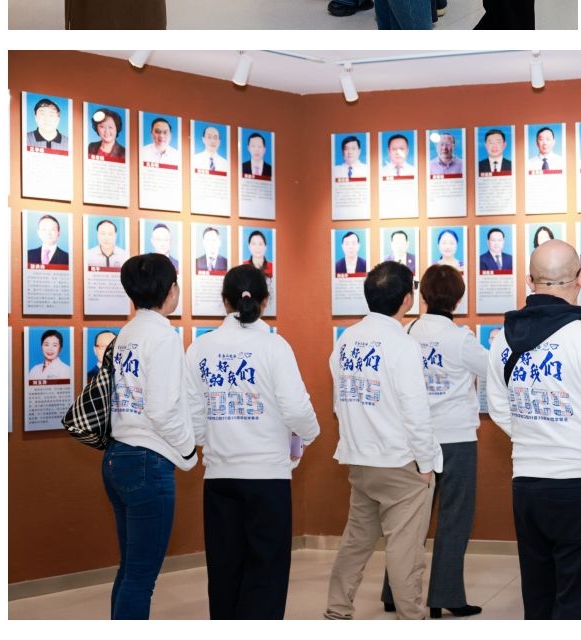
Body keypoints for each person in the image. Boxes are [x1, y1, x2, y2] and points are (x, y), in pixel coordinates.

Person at [486, 240, 581, 619]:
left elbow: (499, 407)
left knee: (538, 597)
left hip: (528, 485)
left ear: (529, 281)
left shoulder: (503, 339)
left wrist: (534, 437)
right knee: (578, 600)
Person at [186, 265, 319, 619]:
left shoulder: (200, 348)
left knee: (224, 574)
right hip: (267, 478)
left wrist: (216, 438)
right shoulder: (274, 346)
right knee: (266, 576)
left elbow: (194, 420)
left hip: (219, 478)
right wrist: (308, 434)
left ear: (224, 301)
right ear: (265, 301)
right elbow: (296, 408)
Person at [325, 261, 442, 621]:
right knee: (405, 550)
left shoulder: (346, 340)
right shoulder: (402, 344)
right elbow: (416, 412)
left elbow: (339, 402)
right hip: (400, 463)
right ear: (407, 299)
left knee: (356, 541)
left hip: (360, 460)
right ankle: (411, 618)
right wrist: (427, 464)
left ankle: (337, 610)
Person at [381, 265, 488, 618]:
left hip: (415, 437)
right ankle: (446, 596)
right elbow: (493, 369)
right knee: (454, 517)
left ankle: (394, 593)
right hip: (456, 437)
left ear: (422, 295)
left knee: (407, 517)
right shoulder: (461, 338)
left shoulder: (407, 332)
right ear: (458, 298)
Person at [105, 253, 197, 618]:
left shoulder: (128, 332)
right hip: (148, 461)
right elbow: (161, 410)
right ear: (170, 290)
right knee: (141, 577)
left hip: (118, 455)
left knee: (130, 569)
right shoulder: (163, 336)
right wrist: (188, 449)